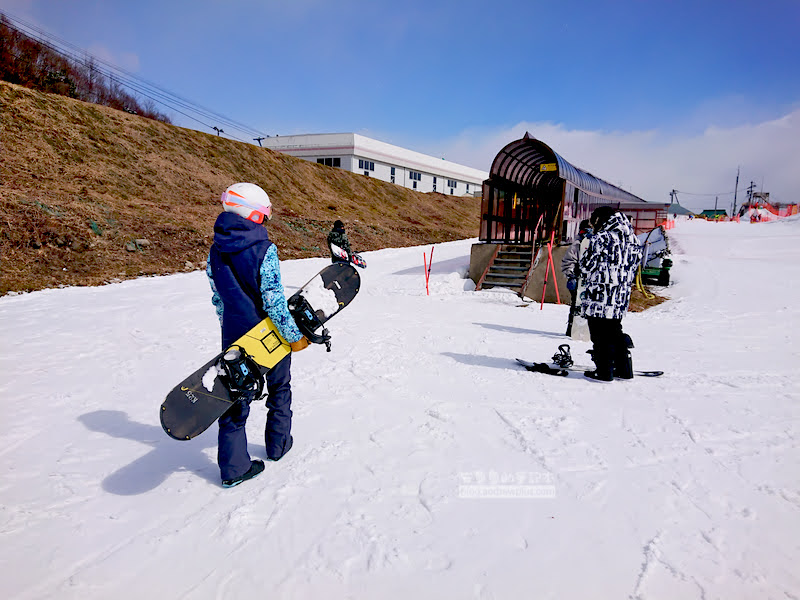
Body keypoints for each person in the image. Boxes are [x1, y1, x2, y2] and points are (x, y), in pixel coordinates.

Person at [207, 182, 309, 488]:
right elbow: (274, 300)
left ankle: (234, 467)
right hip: (269, 336)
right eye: (264, 214)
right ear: (253, 215)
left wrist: (230, 329)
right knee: (279, 389)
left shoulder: (215, 249)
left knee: (235, 397)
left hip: (235, 335)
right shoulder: (265, 249)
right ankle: (278, 445)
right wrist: (293, 336)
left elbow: (218, 297)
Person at [578, 206, 643, 382]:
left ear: (600, 220)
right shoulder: (633, 240)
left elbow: (585, 266)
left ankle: (604, 371)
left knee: (599, 334)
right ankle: (624, 369)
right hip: (619, 296)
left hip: (600, 295)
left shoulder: (602, 238)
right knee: (615, 331)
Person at [560, 219, 592, 336]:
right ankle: (571, 328)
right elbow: (568, 261)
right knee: (576, 304)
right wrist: (570, 275)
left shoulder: (595, 244)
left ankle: (586, 329)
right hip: (578, 279)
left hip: (590, 280)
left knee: (588, 306)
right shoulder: (577, 244)